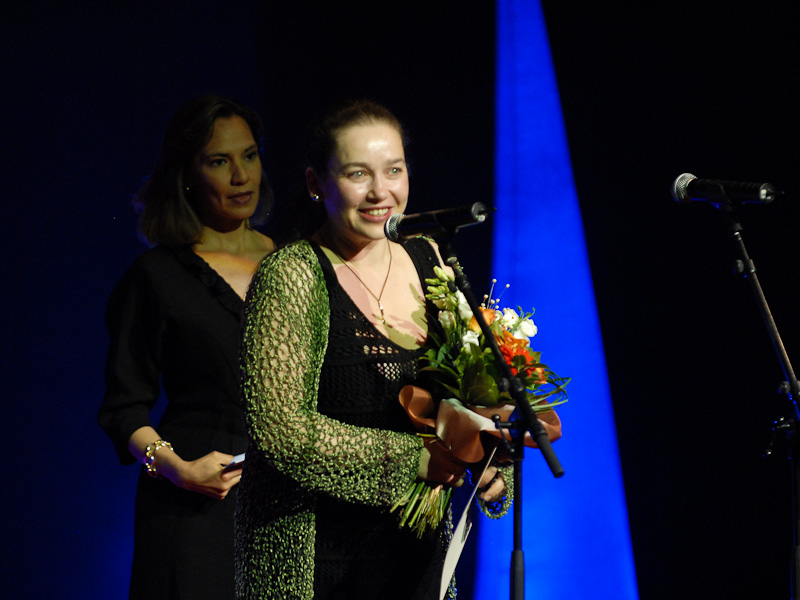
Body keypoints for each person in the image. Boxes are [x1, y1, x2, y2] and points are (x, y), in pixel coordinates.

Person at [235, 99, 511, 600]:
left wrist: (488, 457)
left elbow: (468, 391)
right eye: (358, 173)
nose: (380, 191)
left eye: (394, 170)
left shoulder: (428, 256)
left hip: (415, 559)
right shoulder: (291, 275)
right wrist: (413, 460)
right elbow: (279, 432)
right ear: (317, 183)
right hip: (319, 559)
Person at [98, 94, 276, 599]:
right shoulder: (157, 276)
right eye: (219, 161)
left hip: (286, 506)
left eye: (249, 155)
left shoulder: (297, 261)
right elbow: (124, 409)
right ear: (187, 175)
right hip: (195, 510)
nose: (240, 176)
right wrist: (177, 469)